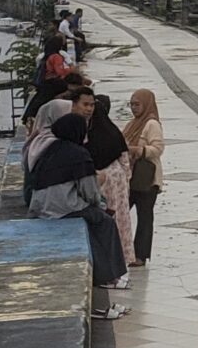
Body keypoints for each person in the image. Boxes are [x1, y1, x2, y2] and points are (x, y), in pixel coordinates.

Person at [24, 113, 130, 306]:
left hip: (41, 207)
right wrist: (100, 203)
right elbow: (90, 192)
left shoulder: (49, 150)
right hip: (64, 209)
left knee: (96, 220)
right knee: (105, 222)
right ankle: (110, 276)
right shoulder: (79, 155)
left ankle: (104, 275)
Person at [87, 94, 138, 274]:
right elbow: (125, 160)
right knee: (121, 218)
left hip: (100, 180)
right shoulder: (114, 132)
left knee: (106, 218)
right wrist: (125, 181)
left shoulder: (89, 137)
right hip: (118, 179)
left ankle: (108, 261)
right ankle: (124, 257)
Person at [123, 88, 166, 268]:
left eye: (137, 104)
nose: (134, 108)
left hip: (147, 178)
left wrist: (139, 151)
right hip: (131, 177)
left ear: (147, 104)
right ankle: (124, 250)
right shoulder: (132, 124)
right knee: (121, 211)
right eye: (131, 104)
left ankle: (140, 255)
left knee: (144, 217)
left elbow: (158, 149)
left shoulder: (151, 124)